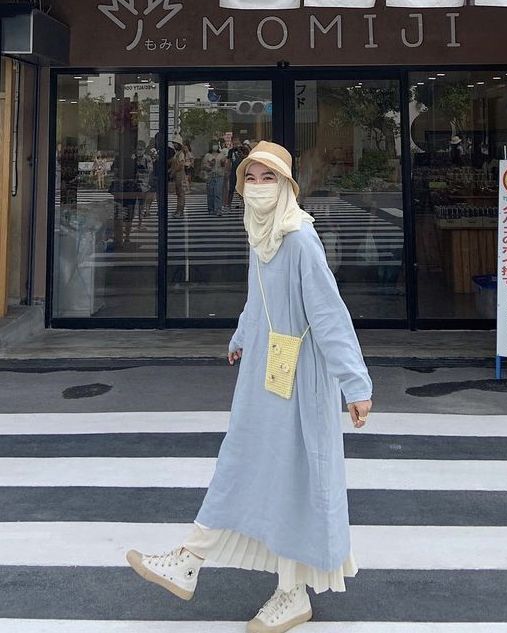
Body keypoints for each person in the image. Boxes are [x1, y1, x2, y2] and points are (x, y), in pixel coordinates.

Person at [126, 141, 373, 633]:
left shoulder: (299, 237)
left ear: (287, 186)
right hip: (265, 370)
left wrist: (355, 383)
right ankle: (197, 561)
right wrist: (242, 335)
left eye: (269, 179)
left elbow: (328, 315)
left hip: (300, 377)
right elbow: (257, 300)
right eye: (252, 179)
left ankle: (278, 588)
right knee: (249, 464)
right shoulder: (262, 235)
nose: (259, 188)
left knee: (293, 476)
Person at [202, 140, 226, 216]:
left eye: (216, 145)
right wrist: (209, 165)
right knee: (211, 193)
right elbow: (203, 166)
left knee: (218, 193)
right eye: (213, 145)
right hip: (210, 176)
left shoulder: (221, 155)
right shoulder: (207, 155)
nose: (214, 146)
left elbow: (224, 165)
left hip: (219, 175)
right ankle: (211, 209)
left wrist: (223, 162)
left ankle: (218, 209)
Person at [169, 133, 188, 218]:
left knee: (181, 194)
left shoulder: (181, 153)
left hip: (180, 176)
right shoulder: (177, 153)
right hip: (177, 176)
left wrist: (173, 171)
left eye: (175, 143)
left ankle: (180, 211)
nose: (174, 145)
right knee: (178, 194)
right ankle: (178, 210)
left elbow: (180, 165)